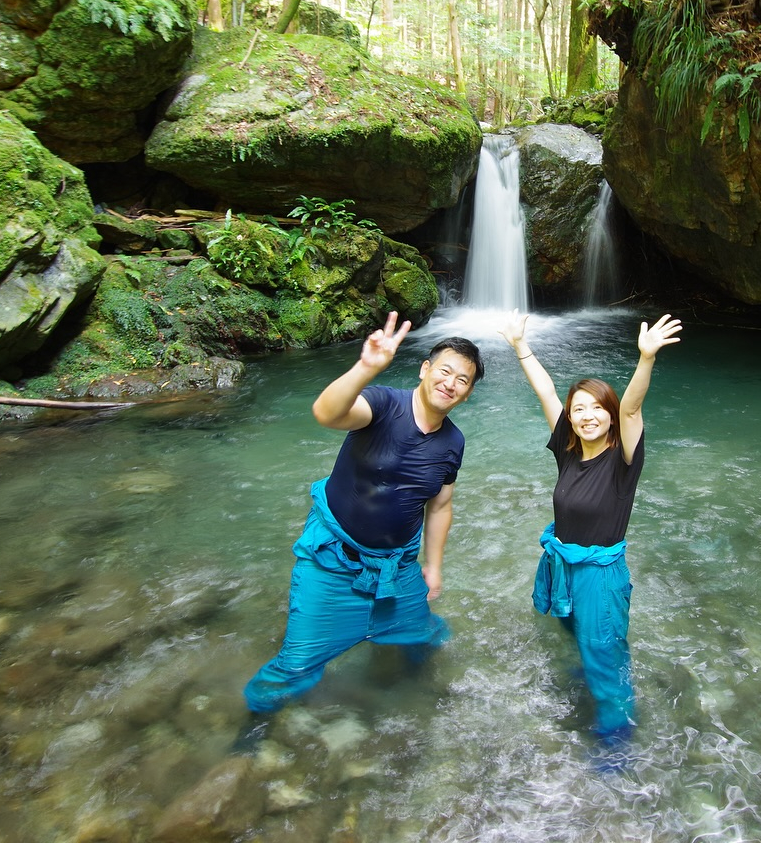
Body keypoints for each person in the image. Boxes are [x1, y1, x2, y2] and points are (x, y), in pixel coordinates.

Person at [242, 311, 484, 720]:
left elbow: (440, 505)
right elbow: (327, 413)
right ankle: (249, 734)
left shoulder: (453, 442)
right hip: (334, 560)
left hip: (399, 565)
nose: (451, 384)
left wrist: (434, 566)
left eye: (463, 380)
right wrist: (365, 368)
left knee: (422, 637)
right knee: (296, 665)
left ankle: (419, 706)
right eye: (445, 371)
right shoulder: (384, 403)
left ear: (468, 393)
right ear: (425, 370)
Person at [497, 311, 682, 745]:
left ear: (611, 416)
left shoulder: (624, 460)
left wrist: (646, 358)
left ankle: (617, 734)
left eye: (598, 408)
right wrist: (520, 346)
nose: (587, 415)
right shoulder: (567, 450)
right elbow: (544, 391)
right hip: (562, 563)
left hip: (599, 574)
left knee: (604, 649)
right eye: (579, 409)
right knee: (570, 630)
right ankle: (587, 673)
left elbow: (633, 406)